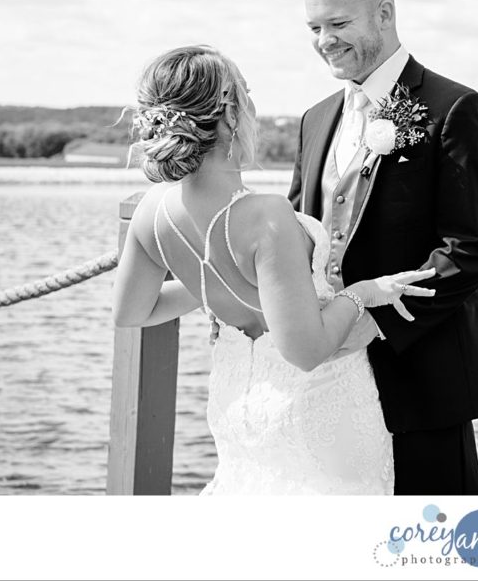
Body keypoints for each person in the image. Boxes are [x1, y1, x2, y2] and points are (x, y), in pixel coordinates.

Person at [111, 45, 435, 495]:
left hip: (236, 409)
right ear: (227, 114)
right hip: (317, 413)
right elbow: (306, 351)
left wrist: (211, 286)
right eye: (246, 92)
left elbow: (131, 312)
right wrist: (363, 292)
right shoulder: (266, 217)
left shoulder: (152, 212)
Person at [290, 0, 478, 495]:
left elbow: (469, 250)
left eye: (338, 25)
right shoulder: (315, 120)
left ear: (383, 14)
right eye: (314, 27)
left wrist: (377, 321)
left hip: (424, 374)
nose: (324, 41)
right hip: (328, 372)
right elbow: (301, 233)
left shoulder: (454, 108)